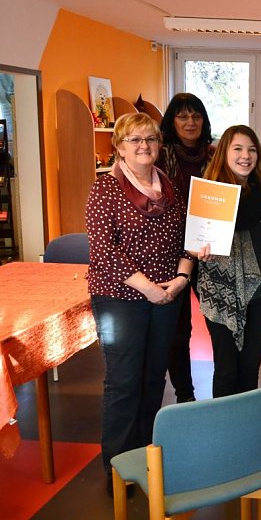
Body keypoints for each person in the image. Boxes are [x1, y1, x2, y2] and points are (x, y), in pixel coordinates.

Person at [85, 112, 193, 496]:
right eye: (134, 139)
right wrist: (149, 288)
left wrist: (181, 279)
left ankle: (145, 454)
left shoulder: (170, 188)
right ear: (119, 147)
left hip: (167, 295)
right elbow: (103, 251)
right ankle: (118, 467)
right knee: (124, 380)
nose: (144, 145)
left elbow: (187, 239)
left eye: (150, 138)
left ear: (159, 145)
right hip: (120, 297)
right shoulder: (105, 189)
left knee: (153, 377)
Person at [196, 125, 261, 398]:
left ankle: (245, 421)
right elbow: (195, 241)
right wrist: (199, 250)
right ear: (224, 152)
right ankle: (222, 423)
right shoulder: (211, 194)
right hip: (221, 291)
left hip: (257, 290)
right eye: (237, 149)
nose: (245, 156)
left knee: (250, 367)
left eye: (251, 150)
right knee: (226, 369)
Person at [157, 92, 214, 404]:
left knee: (218, 322)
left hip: (210, 250)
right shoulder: (159, 156)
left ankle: (226, 389)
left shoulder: (215, 156)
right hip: (172, 252)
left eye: (196, 115)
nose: (190, 122)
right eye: (182, 116)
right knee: (179, 330)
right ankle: (185, 395)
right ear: (172, 121)